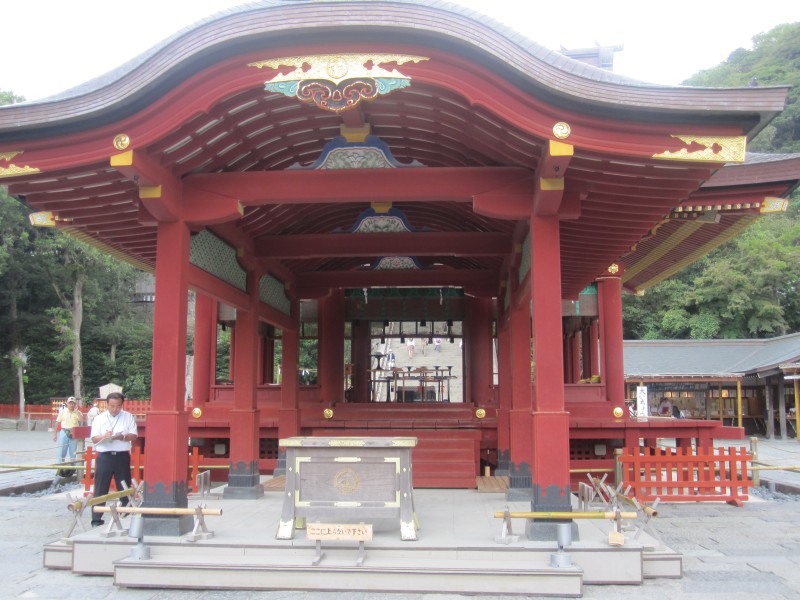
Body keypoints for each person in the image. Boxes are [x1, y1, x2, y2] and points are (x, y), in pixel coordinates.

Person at [90, 392, 138, 528]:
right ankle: (96, 519)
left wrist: (123, 437)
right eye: (111, 406)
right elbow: (94, 438)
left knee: (124, 485)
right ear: (107, 404)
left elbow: (134, 435)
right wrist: (104, 436)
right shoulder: (99, 418)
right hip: (104, 455)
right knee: (101, 486)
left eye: (117, 406)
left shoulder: (128, 416)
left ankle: (125, 514)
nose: (114, 409)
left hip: (121, 455)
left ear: (122, 405)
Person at [54, 397, 83, 468]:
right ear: (67, 403)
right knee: (62, 450)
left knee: (73, 451)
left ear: (75, 404)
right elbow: (57, 423)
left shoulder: (78, 412)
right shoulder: (62, 412)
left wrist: (77, 412)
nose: (71, 405)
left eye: (73, 403)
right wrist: (55, 434)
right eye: (70, 403)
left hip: (74, 432)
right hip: (64, 431)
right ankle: (60, 466)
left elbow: (82, 419)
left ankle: (72, 467)